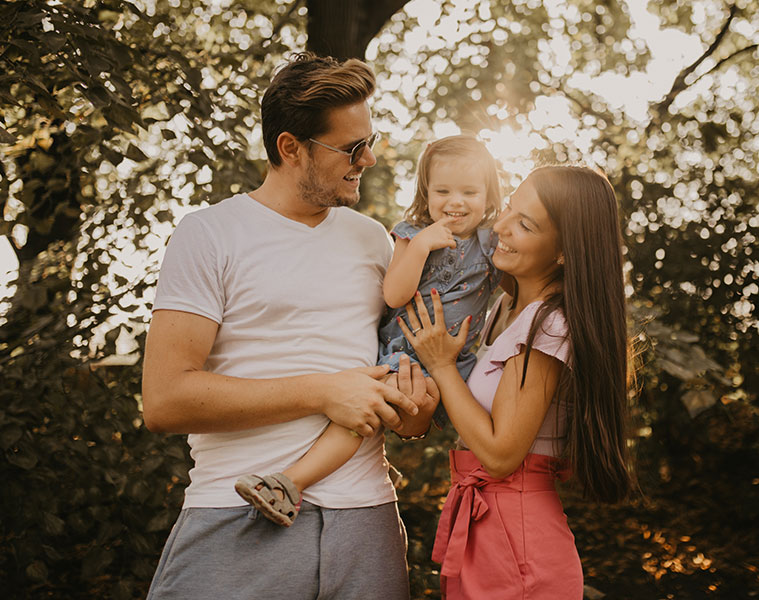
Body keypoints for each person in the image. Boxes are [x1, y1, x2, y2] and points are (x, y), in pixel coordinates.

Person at [141, 53, 436, 600]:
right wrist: (324, 391)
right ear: (290, 148)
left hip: (367, 521)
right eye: (351, 148)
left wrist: (414, 412)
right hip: (237, 514)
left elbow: (402, 397)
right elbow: (164, 399)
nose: (368, 158)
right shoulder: (209, 235)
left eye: (370, 140)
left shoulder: (376, 240)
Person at [234, 135, 504, 527]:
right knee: (363, 415)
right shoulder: (410, 234)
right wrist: (422, 247)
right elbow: (394, 294)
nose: (455, 202)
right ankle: (289, 484)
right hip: (404, 353)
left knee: (457, 419)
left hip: (453, 364)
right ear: (426, 194)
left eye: (469, 191)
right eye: (443, 190)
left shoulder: (490, 245)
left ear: (488, 194)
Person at [398, 165, 635, 599]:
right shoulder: (503, 309)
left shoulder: (551, 325)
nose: (501, 226)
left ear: (564, 251)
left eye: (524, 224)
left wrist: (443, 366)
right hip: (485, 525)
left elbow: (502, 454)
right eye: (508, 207)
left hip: (519, 542)